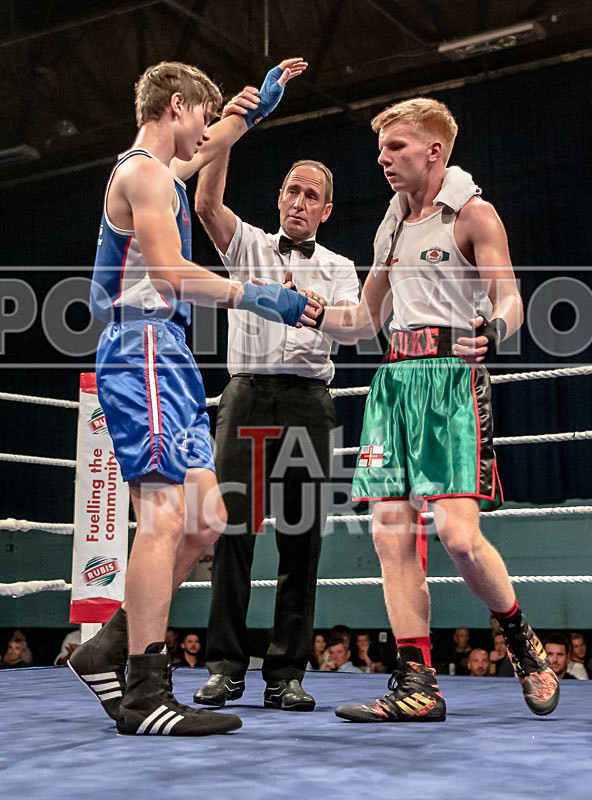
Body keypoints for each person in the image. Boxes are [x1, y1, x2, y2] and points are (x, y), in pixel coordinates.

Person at [68, 58, 321, 737]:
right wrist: (257, 295)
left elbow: (207, 149)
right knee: (160, 515)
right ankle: (146, 692)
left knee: (206, 520)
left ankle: (107, 647)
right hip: (142, 346)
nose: (205, 129)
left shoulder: (160, 172)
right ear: (176, 105)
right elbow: (171, 274)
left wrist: (251, 114)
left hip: (168, 354)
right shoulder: (142, 172)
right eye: (202, 114)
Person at [315, 97, 559, 722]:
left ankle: (521, 641)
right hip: (394, 383)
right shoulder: (391, 225)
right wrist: (299, 308)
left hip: (453, 380)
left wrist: (495, 331)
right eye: (380, 149)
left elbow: (510, 299)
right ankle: (417, 682)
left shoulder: (474, 215)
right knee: (390, 535)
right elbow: (364, 321)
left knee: (457, 537)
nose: (383, 159)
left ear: (435, 151)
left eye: (396, 147)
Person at [192, 141, 358, 711]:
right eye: (293, 189)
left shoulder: (338, 267)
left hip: (309, 401)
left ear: (325, 210)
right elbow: (207, 203)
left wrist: (310, 307)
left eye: (312, 195)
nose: (300, 201)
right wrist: (230, 134)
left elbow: (354, 328)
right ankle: (225, 669)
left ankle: (286, 673)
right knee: (231, 533)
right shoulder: (251, 246)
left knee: (301, 540)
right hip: (246, 394)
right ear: (279, 196)